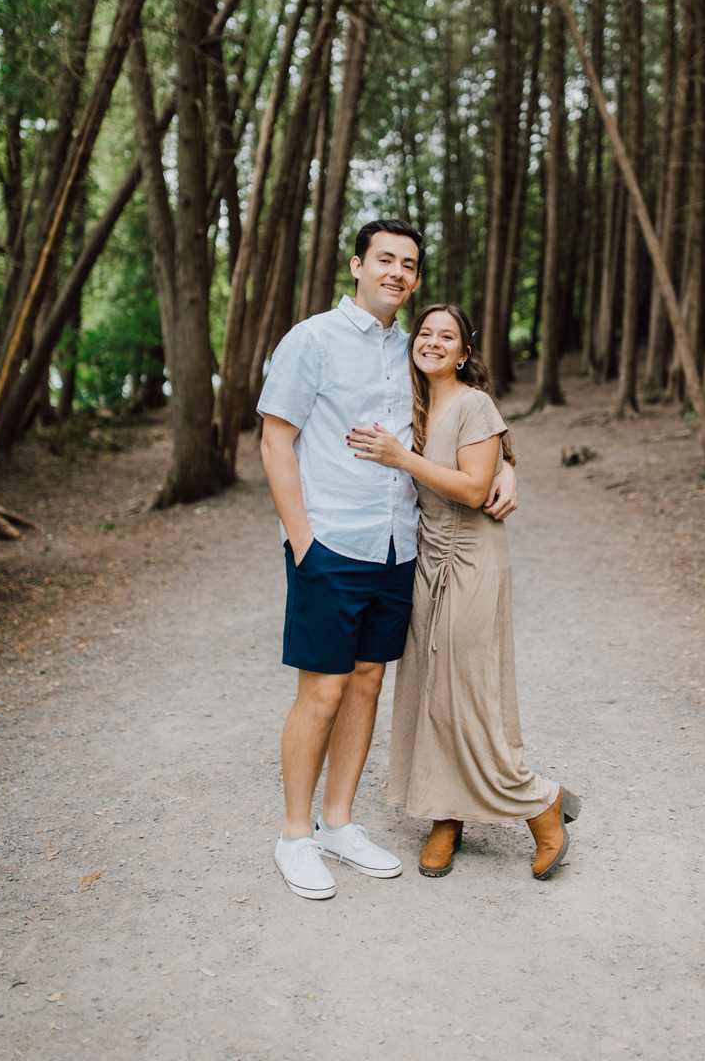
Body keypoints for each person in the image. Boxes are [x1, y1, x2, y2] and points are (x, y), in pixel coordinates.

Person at [258, 223, 518, 900]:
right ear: (357, 265)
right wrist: (301, 541)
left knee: (369, 681)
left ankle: (340, 824)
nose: (397, 273)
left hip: (397, 545)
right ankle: (295, 836)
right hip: (331, 543)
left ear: (416, 279)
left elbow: (469, 413)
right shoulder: (310, 340)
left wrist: (510, 467)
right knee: (322, 691)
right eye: (385, 260)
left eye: (409, 265)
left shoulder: (413, 350)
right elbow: (275, 440)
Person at [347, 303, 580, 880]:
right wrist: (508, 461)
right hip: (425, 559)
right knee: (431, 691)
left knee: (470, 694)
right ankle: (445, 815)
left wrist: (410, 459)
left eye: (445, 336)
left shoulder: (472, 402)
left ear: (464, 352)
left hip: (471, 559)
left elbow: (476, 490)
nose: (431, 342)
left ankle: (541, 805)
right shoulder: (415, 402)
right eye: (423, 332)